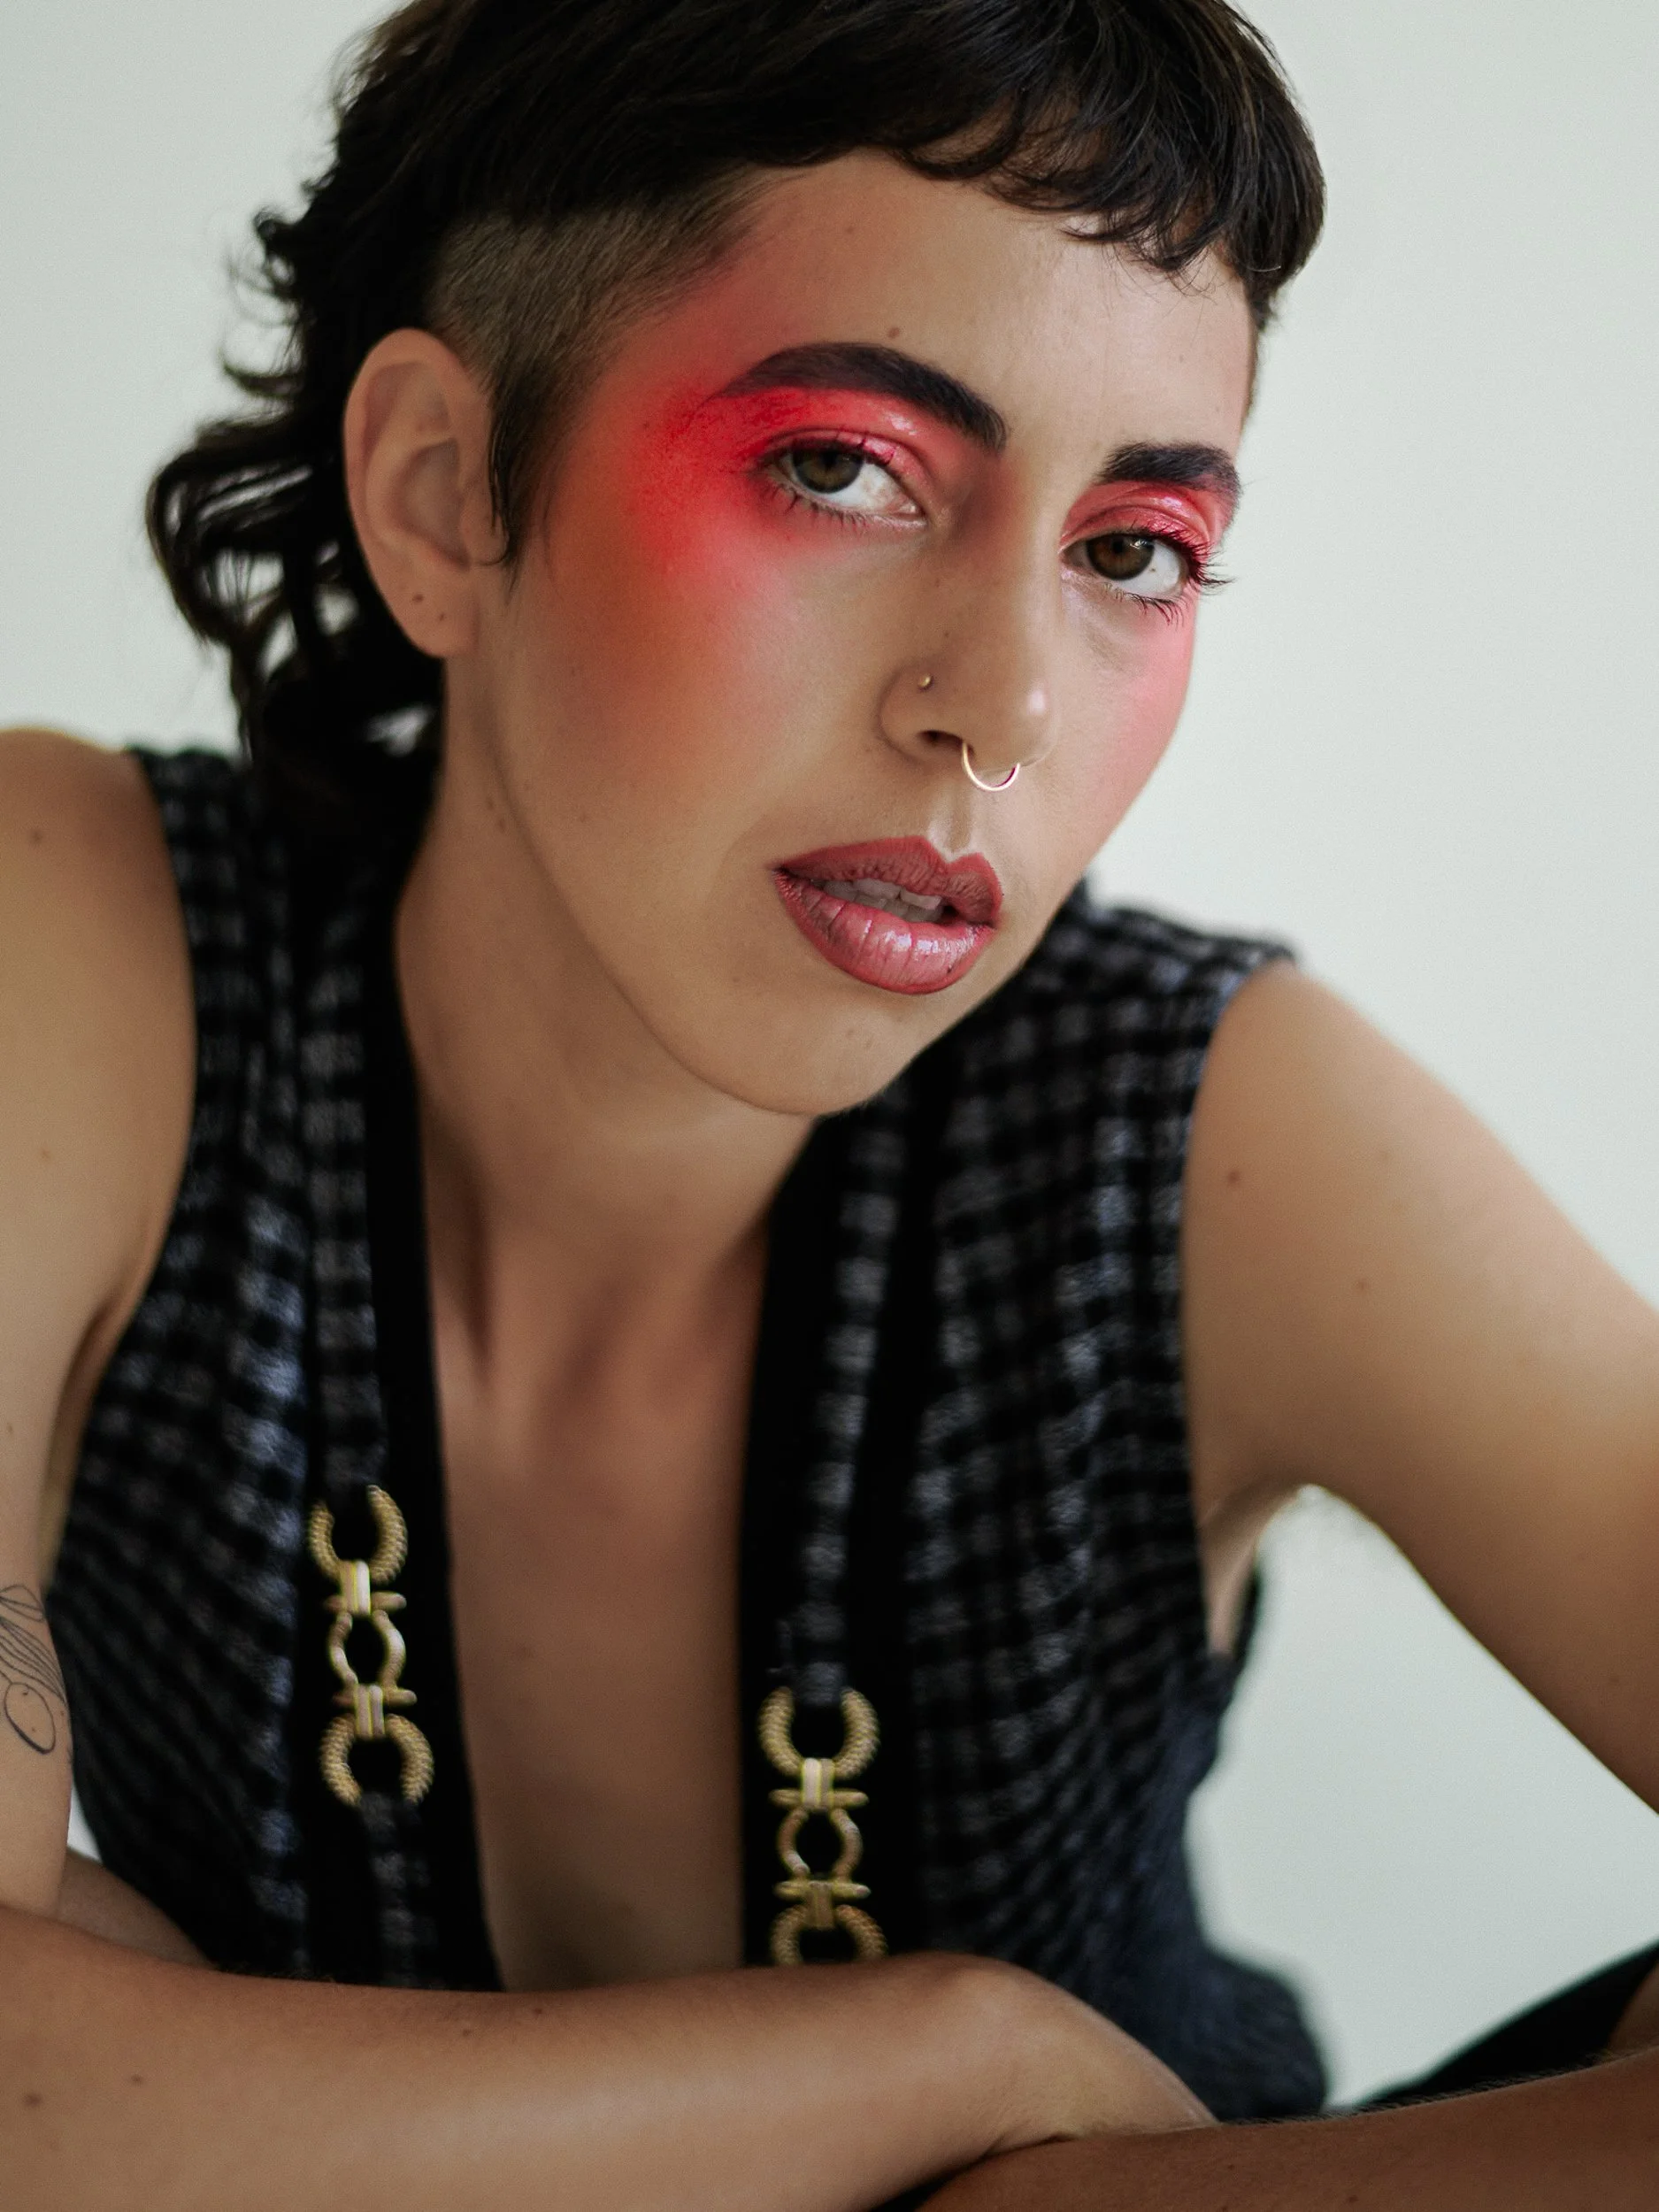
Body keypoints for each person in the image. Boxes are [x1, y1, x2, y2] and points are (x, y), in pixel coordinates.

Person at [2, 0, 1656, 2204]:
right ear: (438, 495)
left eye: (1134, 546)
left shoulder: (1209, 1139)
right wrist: (942, 2066)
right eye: (843, 468)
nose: (999, 703)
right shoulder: (89, 948)